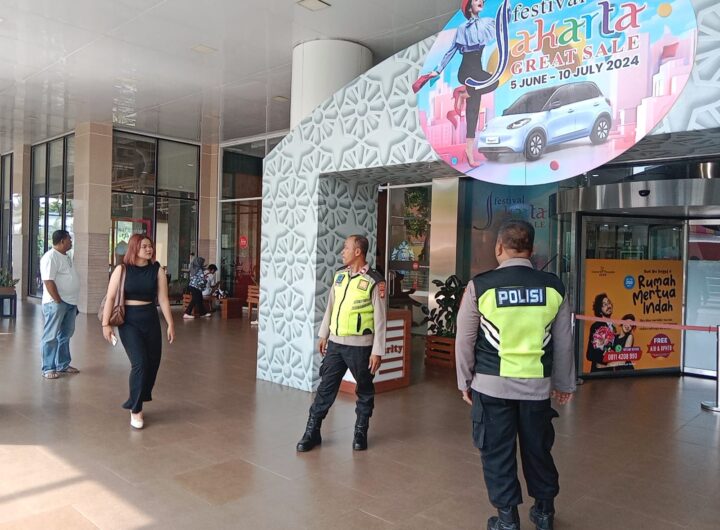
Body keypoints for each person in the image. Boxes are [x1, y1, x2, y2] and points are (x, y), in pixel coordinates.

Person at [455, 220, 575, 530]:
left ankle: (508, 520)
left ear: (499, 247)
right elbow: (563, 341)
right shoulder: (553, 287)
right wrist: (564, 383)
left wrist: (464, 381)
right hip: (537, 388)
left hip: (491, 387)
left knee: (497, 453)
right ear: (531, 249)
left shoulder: (480, 286)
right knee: (538, 450)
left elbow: (465, 339)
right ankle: (544, 513)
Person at [296, 235, 387, 452]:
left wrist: (377, 351)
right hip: (336, 345)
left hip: (361, 347)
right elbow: (331, 306)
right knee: (325, 389)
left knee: (364, 390)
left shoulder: (375, 281)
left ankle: (360, 432)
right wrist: (323, 334)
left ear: (358, 252)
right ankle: (312, 432)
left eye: (346, 248)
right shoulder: (339, 275)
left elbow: (381, 319)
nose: (342, 252)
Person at [101, 234, 175, 429]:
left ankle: (137, 396)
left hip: (150, 319)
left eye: (150, 246)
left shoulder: (157, 270)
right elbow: (110, 297)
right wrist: (106, 324)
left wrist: (170, 323)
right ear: (134, 248)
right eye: (144, 246)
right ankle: (136, 409)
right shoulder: (122, 269)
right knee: (140, 363)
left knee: (153, 363)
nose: (149, 249)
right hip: (129, 321)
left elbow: (163, 299)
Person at [429, 0, 501, 167]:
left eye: (482, 0)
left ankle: (469, 151)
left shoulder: (486, 23)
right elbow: (451, 50)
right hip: (466, 72)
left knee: (474, 110)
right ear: (469, 7)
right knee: (486, 89)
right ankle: (464, 93)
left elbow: (503, 23)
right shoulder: (462, 28)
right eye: (476, 0)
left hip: (478, 71)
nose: (481, 1)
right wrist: (438, 70)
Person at [39, 229, 81, 379]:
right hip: (56, 303)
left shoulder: (66, 256)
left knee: (65, 335)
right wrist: (58, 300)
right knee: (50, 336)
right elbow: (48, 281)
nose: (71, 241)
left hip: (70, 302)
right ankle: (48, 368)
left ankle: (62, 364)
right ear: (62, 241)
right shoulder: (50, 257)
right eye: (69, 239)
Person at [585, 293, 617, 372]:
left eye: (609, 303)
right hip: (599, 372)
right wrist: (607, 360)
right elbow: (590, 354)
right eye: (604, 305)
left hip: (611, 371)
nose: (608, 306)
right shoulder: (597, 326)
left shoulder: (613, 326)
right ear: (600, 311)